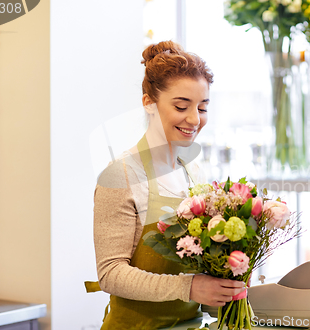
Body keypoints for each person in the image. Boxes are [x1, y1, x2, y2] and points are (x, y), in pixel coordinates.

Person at [85, 41, 245, 329]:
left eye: (203, 107)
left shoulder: (193, 172)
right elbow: (110, 273)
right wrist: (189, 287)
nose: (195, 119)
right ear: (149, 103)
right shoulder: (120, 176)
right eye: (181, 106)